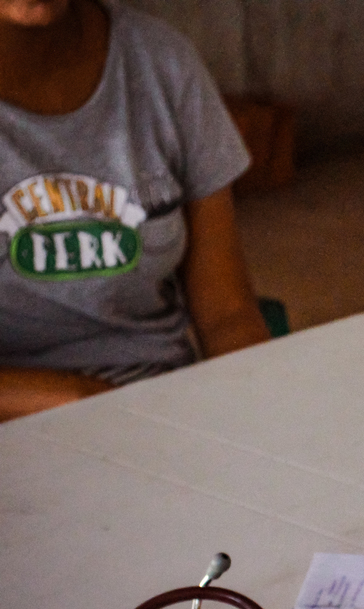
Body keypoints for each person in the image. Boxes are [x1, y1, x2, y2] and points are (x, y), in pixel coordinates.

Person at [0, 0, 269, 422]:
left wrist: (262, 412)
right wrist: (79, 401)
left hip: (161, 408)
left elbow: (227, 315)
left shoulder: (161, 62)